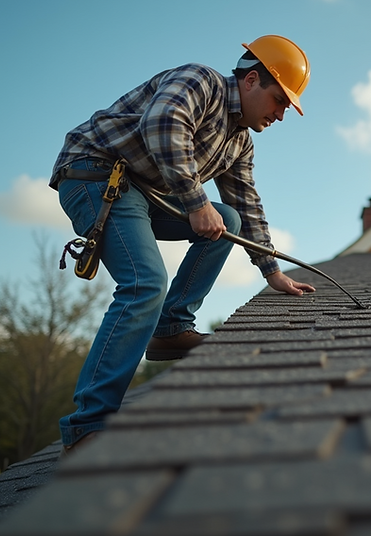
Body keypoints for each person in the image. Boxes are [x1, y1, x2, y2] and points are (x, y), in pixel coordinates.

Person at [48, 35, 315, 454]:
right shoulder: (201, 81)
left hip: (142, 190)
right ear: (250, 80)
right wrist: (194, 201)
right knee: (144, 283)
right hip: (95, 174)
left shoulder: (239, 140)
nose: (282, 114)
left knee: (228, 219)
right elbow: (163, 124)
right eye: (280, 100)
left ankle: (171, 330)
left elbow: (246, 202)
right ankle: (88, 423)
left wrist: (272, 271)